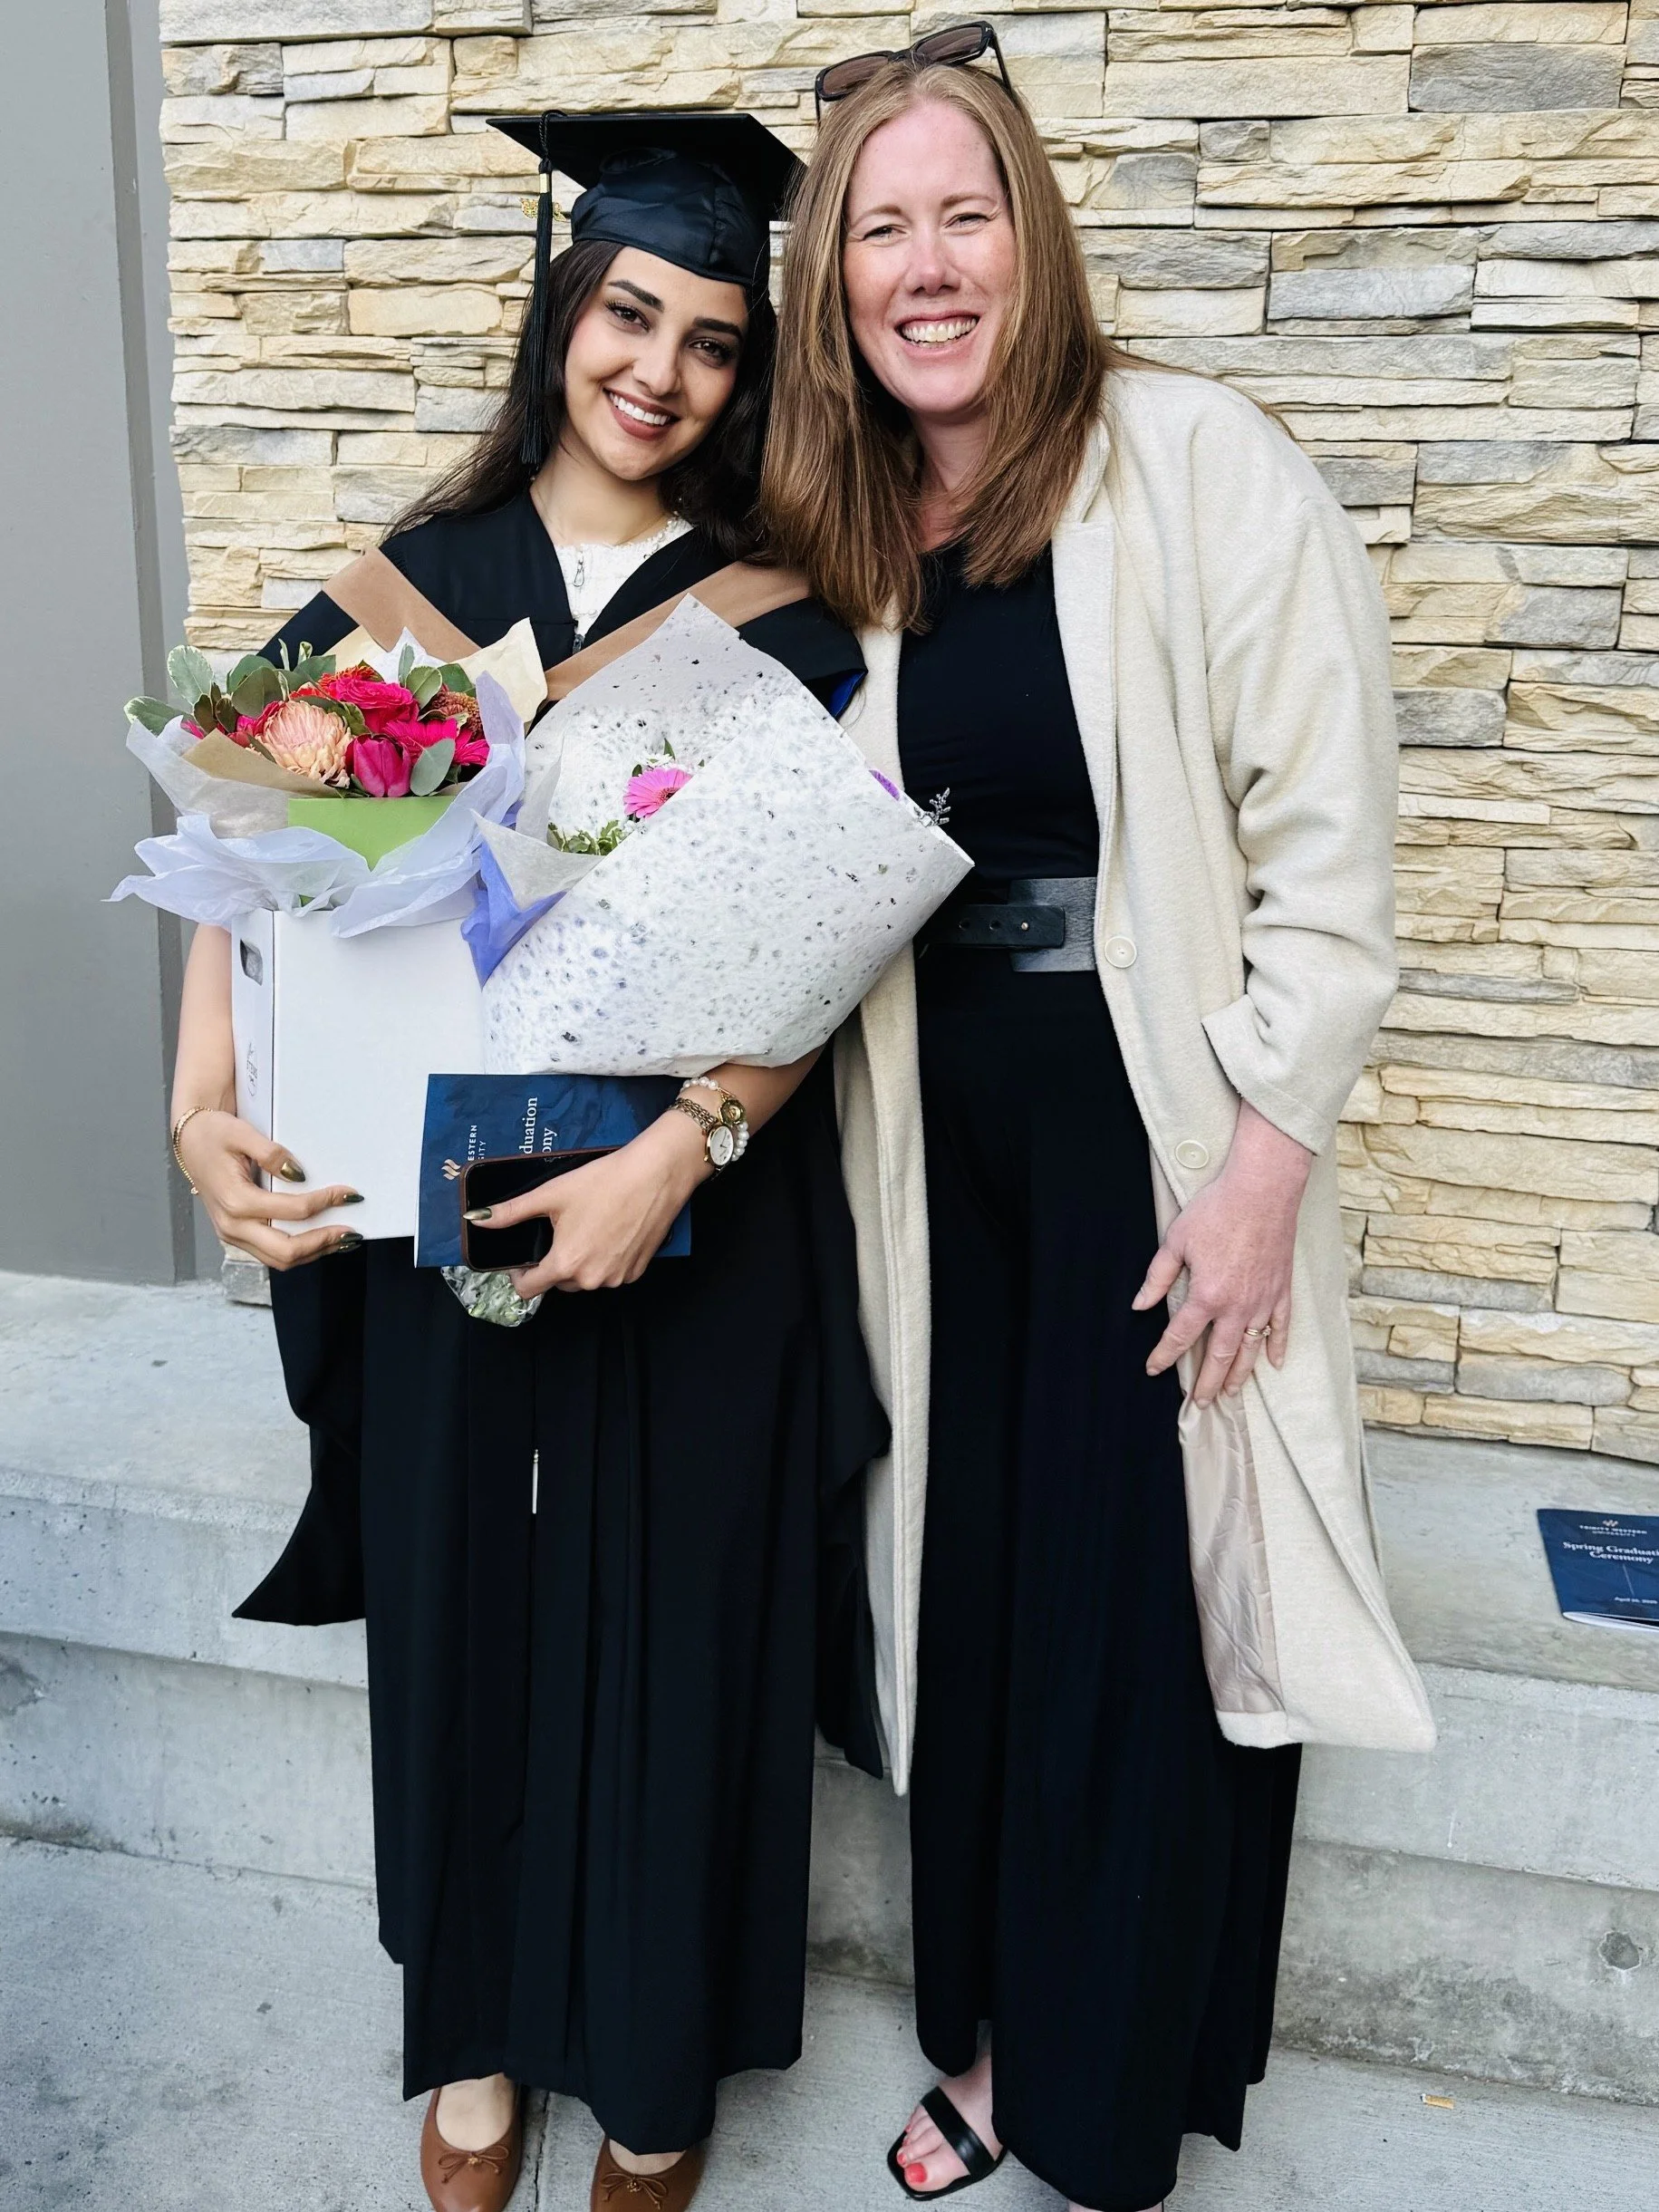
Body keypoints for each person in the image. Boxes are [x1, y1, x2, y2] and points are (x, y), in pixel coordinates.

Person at [167, 111, 887, 2212]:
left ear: (755, 374)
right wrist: (202, 1103)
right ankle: (474, 2050)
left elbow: (832, 936)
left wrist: (688, 1140)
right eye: (628, 310)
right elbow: (235, 870)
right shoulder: (410, 586)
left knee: (684, 1624)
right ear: (565, 308)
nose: (656, 369)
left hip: (688, 1207)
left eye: (714, 338)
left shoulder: (788, 619)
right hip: (449, 1214)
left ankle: (653, 2081)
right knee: (467, 1604)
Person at [761, 29, 1436, 2212]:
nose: (928, 264)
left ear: (1031, 236)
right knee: (972, 1607)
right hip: (930, 1161)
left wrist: (1260, 1173)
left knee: (1139, 1623)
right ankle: (977, 2025)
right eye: (883, 228)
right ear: (834, 279)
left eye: (966, 214)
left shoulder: (1199, 464)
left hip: (1156, 1147)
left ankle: (1098, 2079)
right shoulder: (841, 529)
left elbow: (1330, 861)